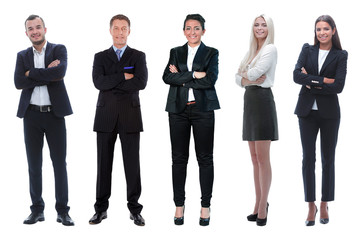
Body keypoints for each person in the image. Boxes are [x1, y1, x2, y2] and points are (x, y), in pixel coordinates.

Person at [14, 15, 74, 226]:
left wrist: (33, 73)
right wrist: (47, 73)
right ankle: (37, 210)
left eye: (38, 27)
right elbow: (18, 82)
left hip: (54, 114)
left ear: (45, 29)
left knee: (59, 164)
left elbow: (60, 72)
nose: (35, 31)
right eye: (31, 29)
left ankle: (63, 211)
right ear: (27, 33)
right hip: (31, 115)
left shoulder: (59, 50)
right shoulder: (22, 55)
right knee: (34, 165)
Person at [89, 14, 147, 226]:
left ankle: (135, 209)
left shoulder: (138, 56)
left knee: (132, 165)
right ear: (110, 30)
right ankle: (100, 209)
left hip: (130, 116)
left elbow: (141, 83)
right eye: (116, 28)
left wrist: (111, 81)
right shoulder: (100, 56)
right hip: (105, 116)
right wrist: (123, 76)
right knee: (103, 165)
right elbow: (98, 82)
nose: (120, 32)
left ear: (129, 31)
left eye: (124, 28)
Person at [163, 14, 220, 226]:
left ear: (203, 31)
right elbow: (166, 77)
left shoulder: (211, 52)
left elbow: (211, 80)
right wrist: (195, 75)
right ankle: (179, 204)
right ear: (184, 30)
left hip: (203, 110)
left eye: (197, 28)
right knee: (178, 159)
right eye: (188, 28)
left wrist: (183, 77)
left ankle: (205, 205)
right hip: (177, 111)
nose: (192, 32)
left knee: (205, 158)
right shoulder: (175, 52)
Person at [293, 15, 347, 226]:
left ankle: (324, 203)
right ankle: (310, 205)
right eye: (318, 29)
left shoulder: (341, 55)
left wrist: (311, 81)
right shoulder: (307, 49)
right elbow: (297, 76)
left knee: (328, 159)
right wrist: (323, 80)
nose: (322, 33)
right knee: (308, 159)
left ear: (333, 30)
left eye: (326, 29)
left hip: (329, 114)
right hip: (306, 112)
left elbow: (339, 86)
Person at [235, 14, 278, 227]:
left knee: (263, 158)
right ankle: (257, 202)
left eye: (263, 25)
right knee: (253, 158)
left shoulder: (270, 49)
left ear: (269, 28)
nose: (259, 28)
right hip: (250, 103)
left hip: (262, 102)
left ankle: (263, 205)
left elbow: (255, 73)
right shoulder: (252, 51)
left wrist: (245, 75)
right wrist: (245, 76)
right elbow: (238, 77)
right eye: (256, 25)